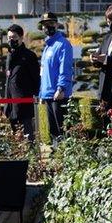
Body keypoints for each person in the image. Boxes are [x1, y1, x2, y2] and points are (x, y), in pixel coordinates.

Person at [38, 13, 73, 143]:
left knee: (62, 128)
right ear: (42, 28)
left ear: (57, 25)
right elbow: (43, 72)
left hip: (59, 94)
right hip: (48, 94)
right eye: (46, 25)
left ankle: (65, 155)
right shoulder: (47, 46)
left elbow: (66, 68)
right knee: (53, 130)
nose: (49, 27)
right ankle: (56, 154)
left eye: (51, 24)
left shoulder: (63, 44)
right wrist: (41, 93)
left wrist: (61, 87)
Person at [4, 24, 40, 139]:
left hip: (24, 104)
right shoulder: (9, 55)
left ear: (21, 37)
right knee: (15, 139)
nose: (11, 40)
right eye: (9, 37)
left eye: (14, 37)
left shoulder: (29, 56)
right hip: (11, 103)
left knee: (27, 137)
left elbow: (36, 79)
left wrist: (34, 97)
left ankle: (31, 155)